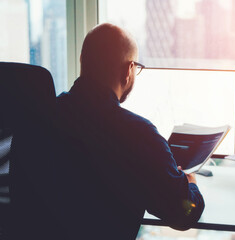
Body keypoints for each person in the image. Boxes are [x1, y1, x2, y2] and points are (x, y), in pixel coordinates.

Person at [54, 23, 205, 240]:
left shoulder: (47, 113)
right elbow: (184, 215)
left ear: (82, 61)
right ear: (128, 70)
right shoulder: (138, 134)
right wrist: (191, 186)